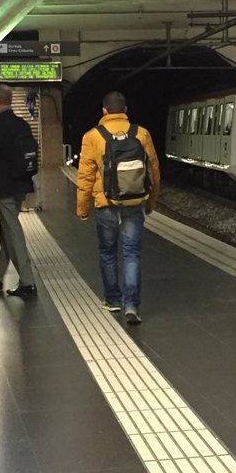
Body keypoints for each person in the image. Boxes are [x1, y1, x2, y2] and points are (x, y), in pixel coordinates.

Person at [76, 91, 161, 324]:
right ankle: (131, 305)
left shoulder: (92, 136)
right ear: (125, 111)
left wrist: (82, 208)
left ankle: (113, 299)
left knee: (108, 252)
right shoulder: (141, 133)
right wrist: (150, 202)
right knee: (132, 253)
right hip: (134, 202)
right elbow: (154, 171)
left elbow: (85, 177)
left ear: (104, 111)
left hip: (106, 203)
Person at [0, 84, 37, 297]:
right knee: (7, 227)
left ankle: (27, 282)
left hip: (4, 185)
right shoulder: (22, 124)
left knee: (12, 231)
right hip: (21, 184)